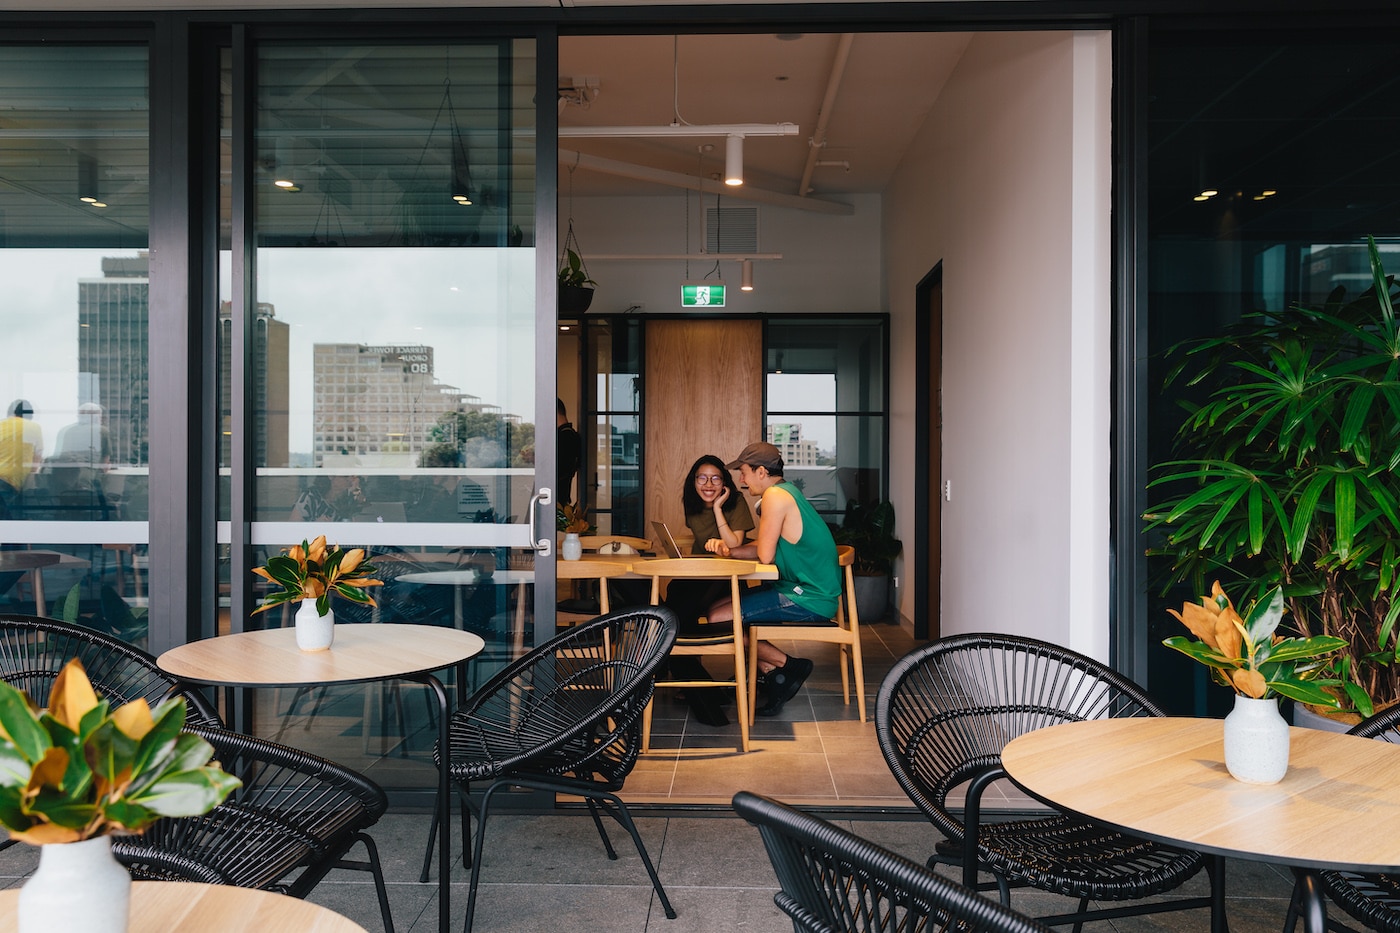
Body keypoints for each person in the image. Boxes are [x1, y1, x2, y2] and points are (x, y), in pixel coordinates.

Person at [705, 441, 841, 716]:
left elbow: (765, 557)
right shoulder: (786, 493)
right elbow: (763, 547)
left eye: (743, 472)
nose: (741, 480)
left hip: (809, 597)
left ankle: (789, 666)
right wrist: (730, 551)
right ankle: (773, 673)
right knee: (714, 611)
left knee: (719, 619)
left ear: (761, 472)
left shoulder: (775, 497)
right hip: (798, 590)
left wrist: (759, 511)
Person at [662, 455, 757, 727]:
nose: (708, 484)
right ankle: (691, 679)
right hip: (702, 576)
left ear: (724, 483)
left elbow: (734, 542)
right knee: (677, 598)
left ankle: (680, 673)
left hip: (727, 578)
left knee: (676, 610)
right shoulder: (691, 506)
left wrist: (717, 508)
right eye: (701, 478)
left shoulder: (735, 503)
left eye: (716, 478)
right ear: (693, 482)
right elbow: (702, 544)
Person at [0, 400, 42, 518]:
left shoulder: (1, 425)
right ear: (31, 415)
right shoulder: (34, 427)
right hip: (10, 481)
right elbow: (36, 462)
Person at [556, 398, 581, 506]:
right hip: (561, 497)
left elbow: (561, 468)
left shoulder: (565, 437)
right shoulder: (570, 435)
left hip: (556, 498)